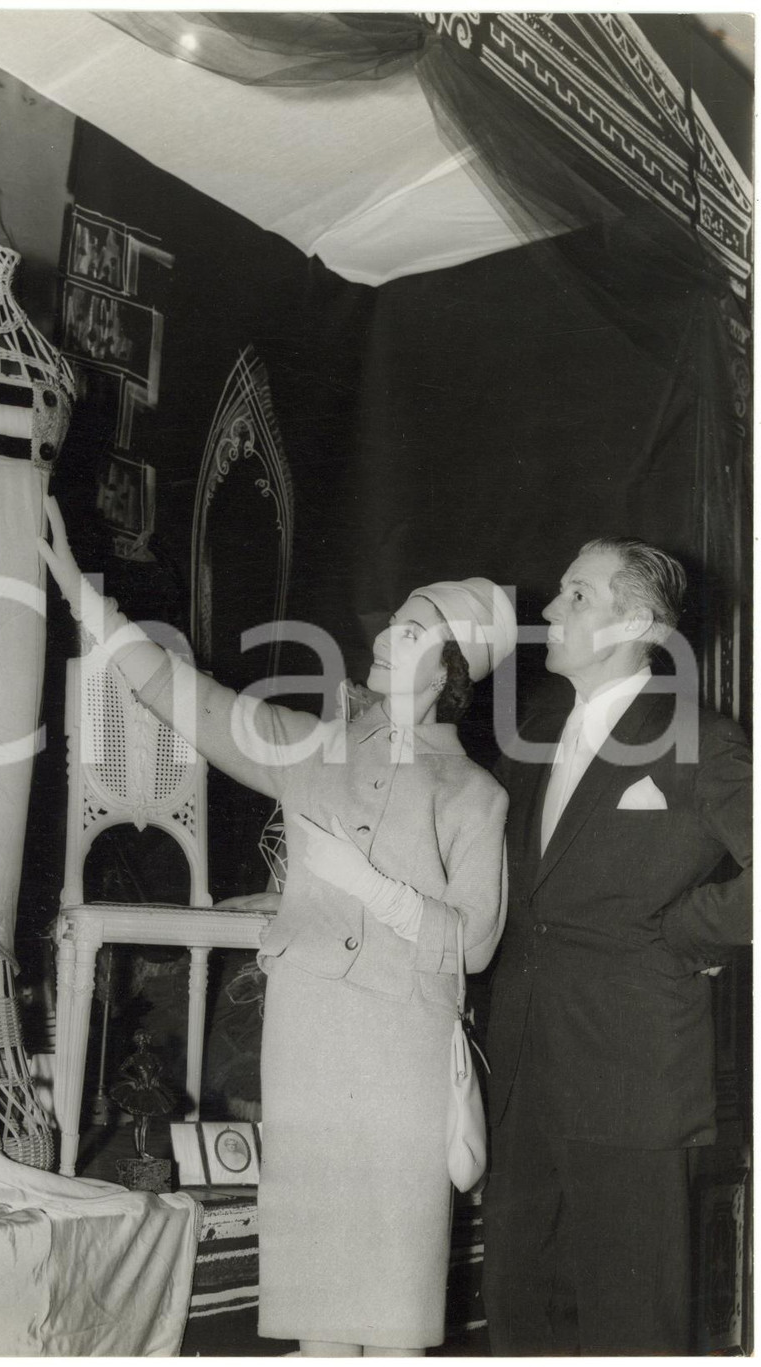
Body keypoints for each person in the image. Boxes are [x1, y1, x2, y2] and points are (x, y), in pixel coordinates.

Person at [39, 496, 516, 1356]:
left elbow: (476, 943)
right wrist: (82, 594)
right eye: (395, 621)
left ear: (449, 668)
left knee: (394, 1307)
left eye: (413, 631)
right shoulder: (314, 748)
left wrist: (372, 887)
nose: (387, 635)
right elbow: (188, 698)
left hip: (402, 1049)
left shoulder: (474, 794)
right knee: (316, 1308)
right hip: (310, 1036)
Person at [482, 537, 752, 1356]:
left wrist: (683, 932)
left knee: (630, 1327)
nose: (551, 608)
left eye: (577, 595)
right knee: (520, 1316)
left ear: (636, 623)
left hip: (630, 1075)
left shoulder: (699, 737)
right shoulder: (533, 736)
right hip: (524, 1076)